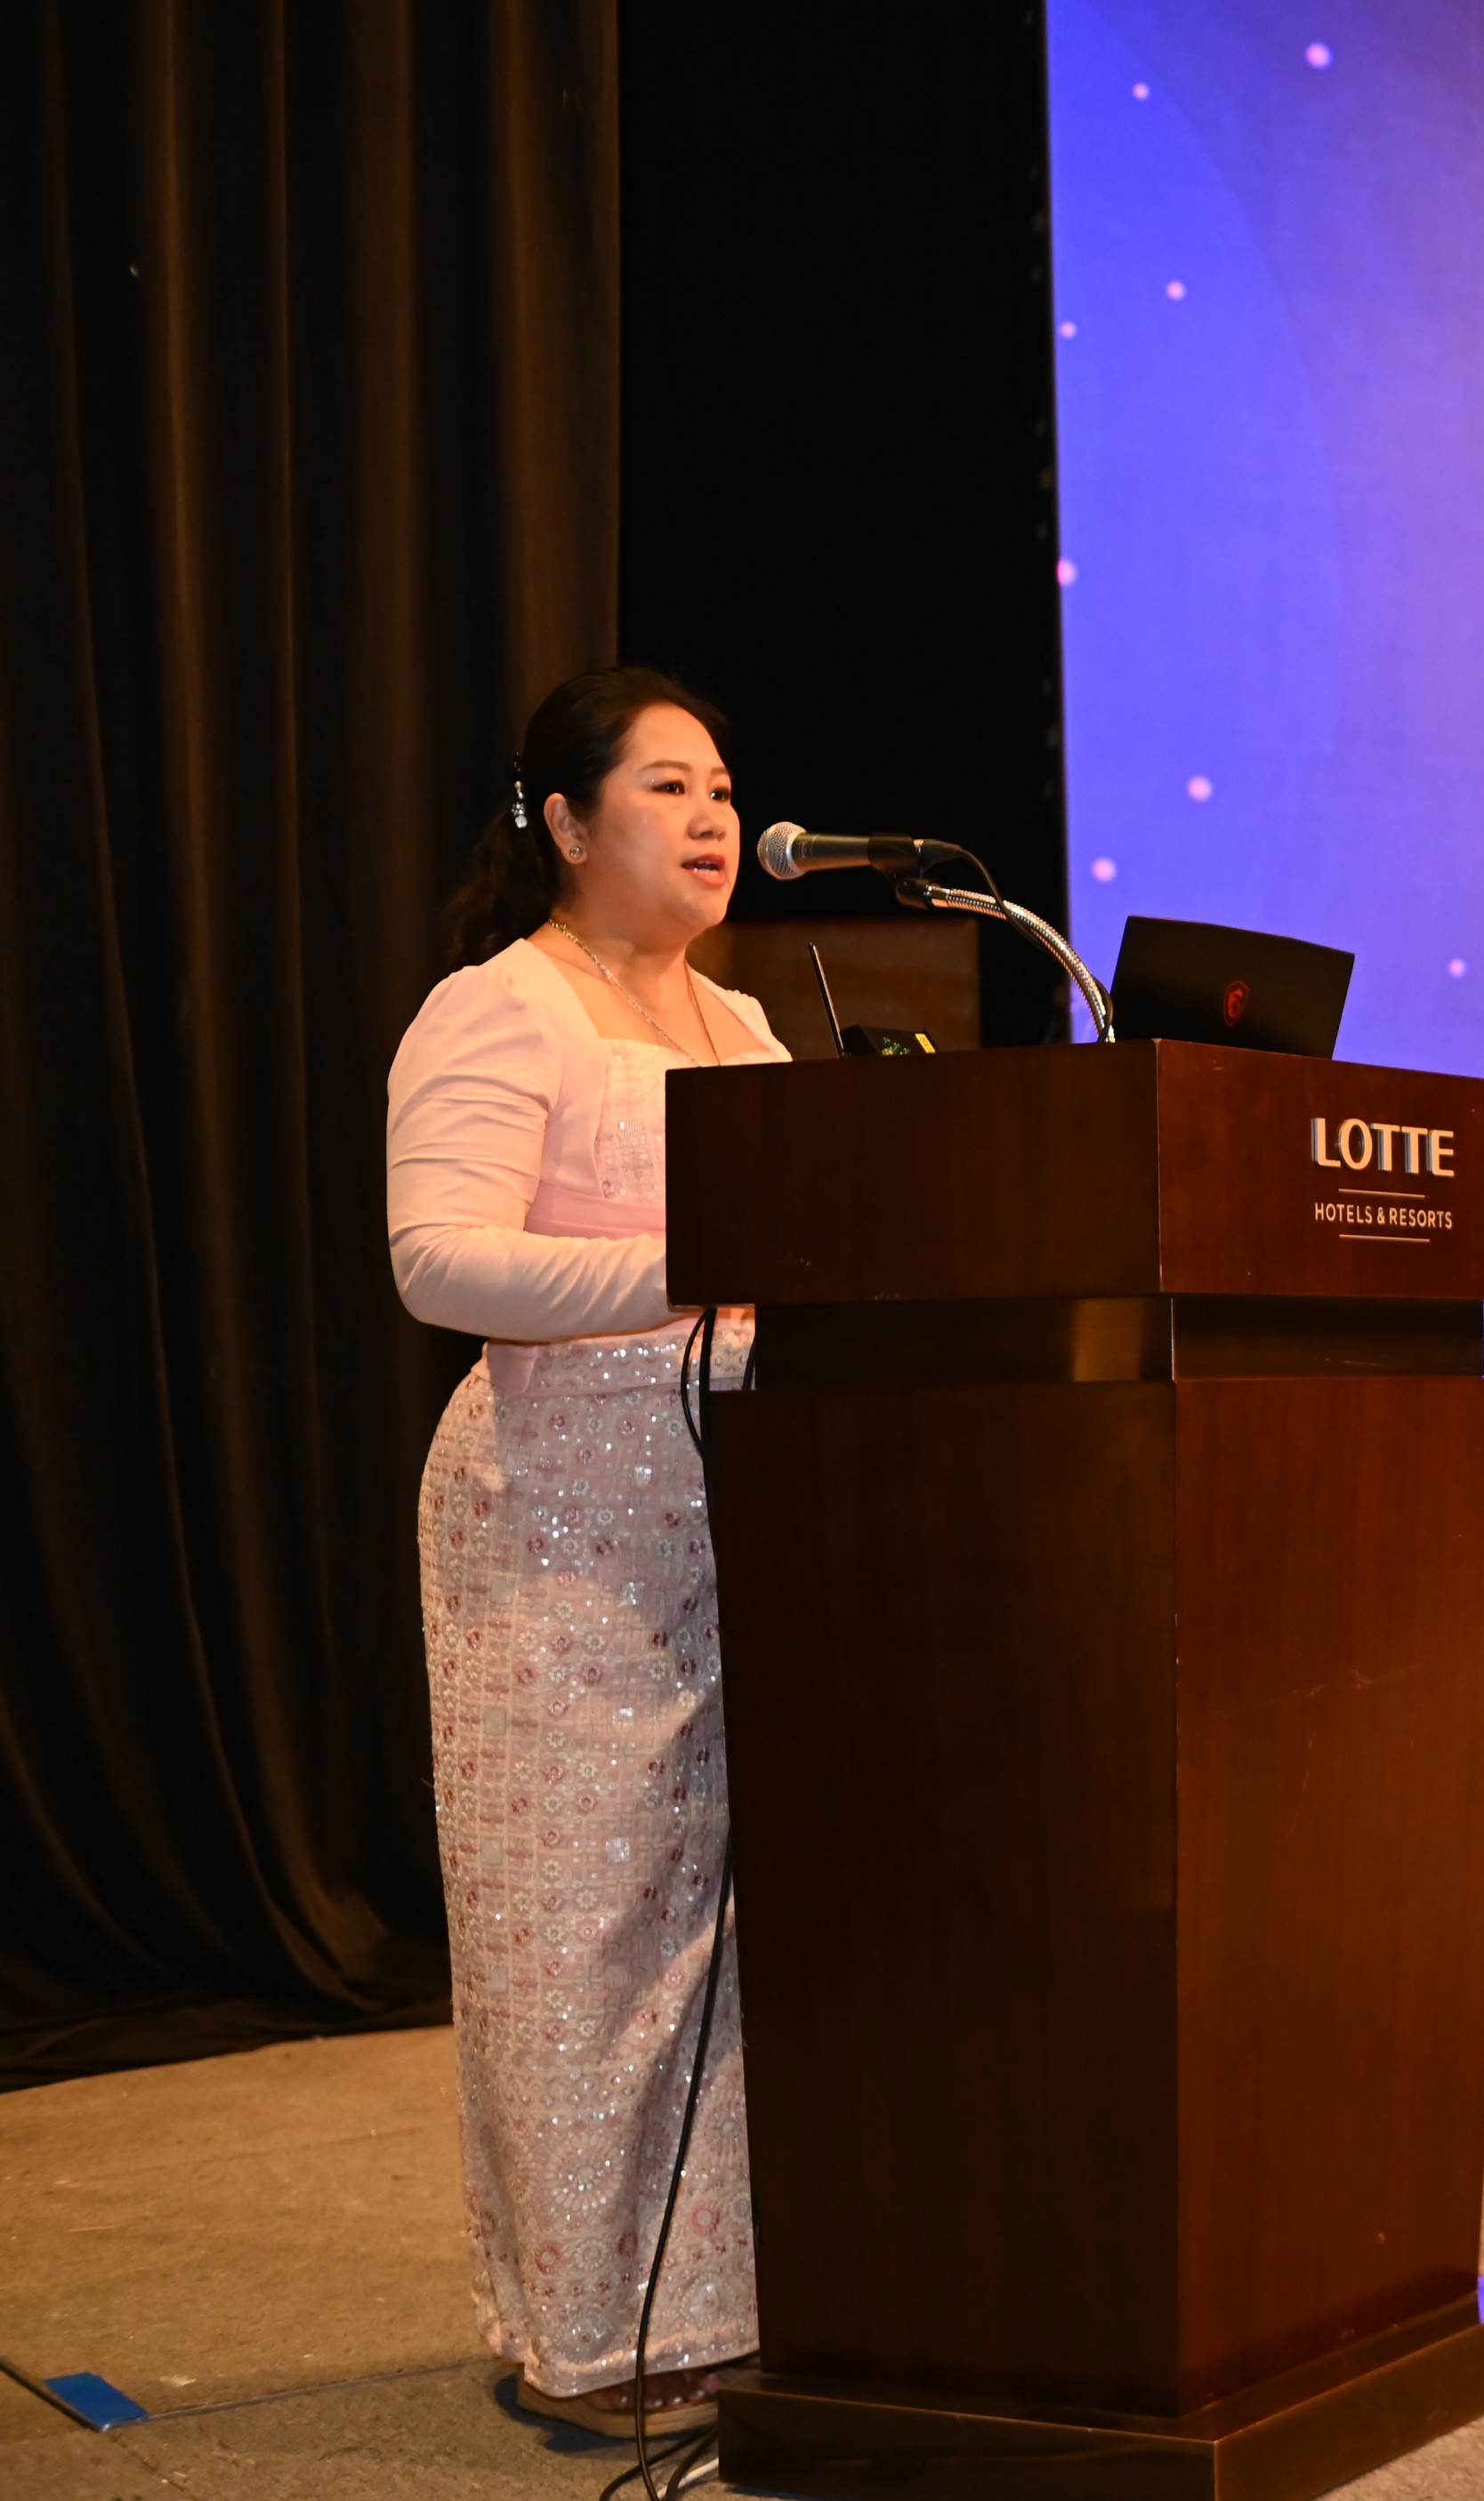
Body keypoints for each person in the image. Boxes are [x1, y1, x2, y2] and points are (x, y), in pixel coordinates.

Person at [387, 666, 786, 2437]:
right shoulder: (502, 1008)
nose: (712, 820)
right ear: (563, 820)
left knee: (724, 1927)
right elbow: (438, 1259)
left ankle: (728, 2302)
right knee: (587, 1926)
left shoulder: (748, 1022)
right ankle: (594, 2335)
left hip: (751, 1512)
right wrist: (698, 1263)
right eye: (667, 787)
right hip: (555, 1521)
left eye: (723, 790)